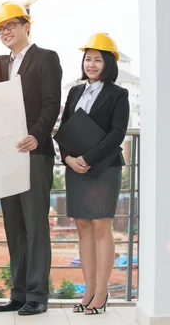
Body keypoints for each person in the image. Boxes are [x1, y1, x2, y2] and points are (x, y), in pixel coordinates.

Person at [0, 2, 62, 316]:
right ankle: (19, 292)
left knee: (35, 225)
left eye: (11, 25)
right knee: (13, 225)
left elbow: (52, 103)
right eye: (1, 28)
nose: (5, 31)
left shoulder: (46, 58)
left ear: (27, 26)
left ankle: (37, 295)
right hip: (7, 154)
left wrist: (37, 134)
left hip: (34, 151)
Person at [56, 33, 130, 315]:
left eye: (98, 59)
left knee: (102, 226)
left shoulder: (118, 94)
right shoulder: (74, 91)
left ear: (109, 63)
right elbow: (64, 129)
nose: (91, 64)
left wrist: (87, 157)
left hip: (105, 168)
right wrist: (68, 158)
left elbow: (117, 133)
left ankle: (102, 291)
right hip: (76, 168)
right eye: (88, 59)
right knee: (83, 227)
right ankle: (88, 289)